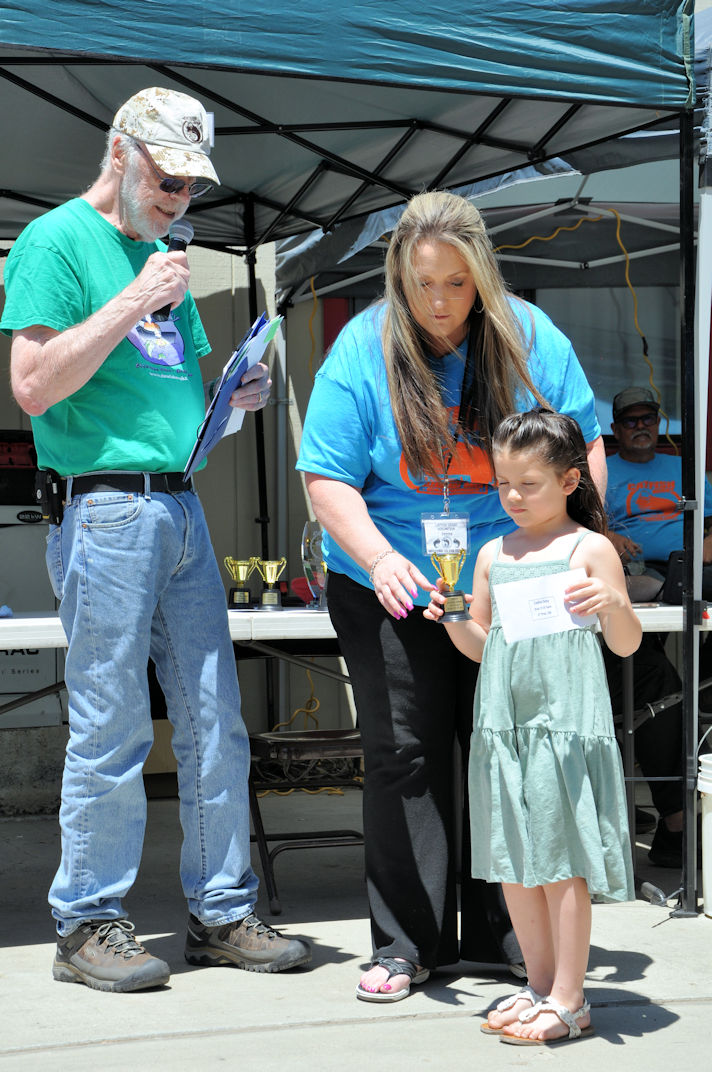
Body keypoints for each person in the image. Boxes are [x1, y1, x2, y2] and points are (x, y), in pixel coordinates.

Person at [0, 86, 310, 992]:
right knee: (113, 722)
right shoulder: (56, 242)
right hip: (105, 509)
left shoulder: (163, 257)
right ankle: (86, 920)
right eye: (167, 179)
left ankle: (221, 911)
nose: (179, 199)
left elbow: (174, 393)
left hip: (179, 503)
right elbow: (33, 386)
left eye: (191, 186)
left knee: (216, 718)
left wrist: (235, 396)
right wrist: (135, 296)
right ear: (120, 151)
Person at [297, 190, 606, 1001]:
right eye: (422, 283)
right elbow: (325, 474)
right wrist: (377, 558)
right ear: (398, 275)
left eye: (457, 285)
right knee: (405, 755)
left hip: (511, 583)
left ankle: (513, 939)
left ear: (483, 278)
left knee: (510, 750)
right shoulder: (362, 347)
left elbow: (582, 447)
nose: (439, 303)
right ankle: (408, 944)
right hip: (389, 584)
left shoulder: (533, 337)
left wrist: (577, 551)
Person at [426, 409, 639, 1045]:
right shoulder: (492, 552)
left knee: (562, 858)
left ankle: (571, 997)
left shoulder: (590, 548)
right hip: (504, 724)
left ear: (571, 480)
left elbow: (625, 644)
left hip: (565, 724)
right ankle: (541, 986)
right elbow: (483, 646)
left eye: (529, 484)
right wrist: (452, 616)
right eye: (503, 484)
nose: (513, 497)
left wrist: (615, 604)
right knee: (514, 859)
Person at [606, 385, 712, 867]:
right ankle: (671, 816)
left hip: (685, 573)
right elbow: (578, 525)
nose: (640, 427)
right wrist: (606, 537)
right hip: (629, 578)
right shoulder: (601, 470)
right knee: (651, 681)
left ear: (659, 422)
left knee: (661, 681)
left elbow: (709, 526)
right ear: (615, 429)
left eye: (647, 418)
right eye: (630, 420)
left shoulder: (685, 470)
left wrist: (700, 557)